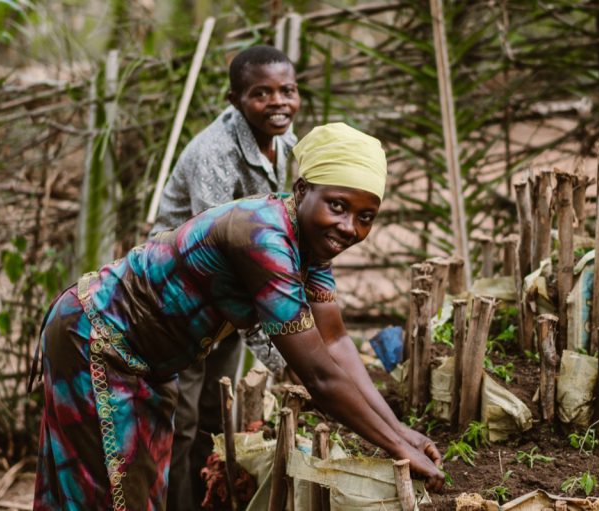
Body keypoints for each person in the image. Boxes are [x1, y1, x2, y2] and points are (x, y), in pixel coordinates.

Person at [32, 123, 444, 509]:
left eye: (365, 217)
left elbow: (335, 343)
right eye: (337, 206)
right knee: (106, 493)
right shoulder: (261, 237)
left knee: (132, 488)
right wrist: (396, 448)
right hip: (97, 337)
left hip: (147, 363)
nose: (349, 227)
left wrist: (401, 432)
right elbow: (319, 375)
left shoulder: (311, 245)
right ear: (302, 191)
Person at [150, 45, 300, 509]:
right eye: (262, 93)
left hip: (234, 295)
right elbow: (212, 256)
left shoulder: (288, 142)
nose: (278, 102)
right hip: (183, 297)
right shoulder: (213, 154)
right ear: (234, 99)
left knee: (217, 415)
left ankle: (206, 501)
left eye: (287, 90)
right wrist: (282, 357)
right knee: (183, 420)